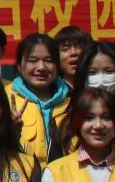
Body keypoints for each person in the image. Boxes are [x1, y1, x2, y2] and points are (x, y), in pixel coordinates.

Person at [9, 33, 70, 163]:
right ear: (19, 65)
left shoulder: (72, 102)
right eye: (33, 61)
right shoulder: (5, 99)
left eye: (49, 61)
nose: (41, 67)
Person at [53, 26, 90, 92]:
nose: (73, 53)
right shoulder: (51, 92)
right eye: (65, 48)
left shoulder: (98, 89)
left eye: (79, 47)